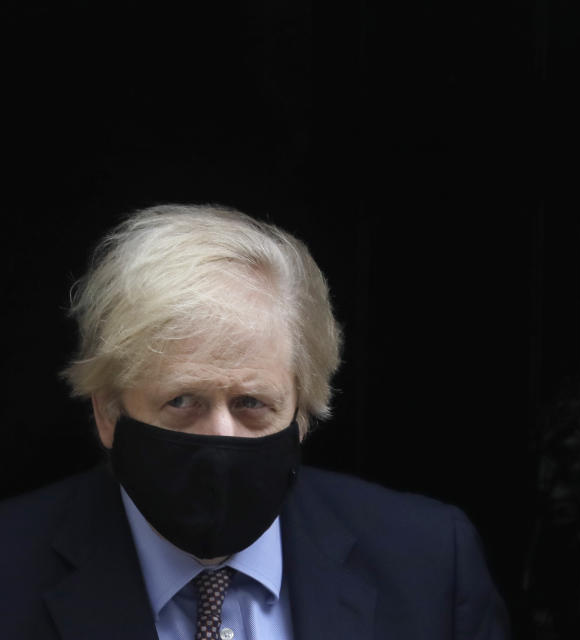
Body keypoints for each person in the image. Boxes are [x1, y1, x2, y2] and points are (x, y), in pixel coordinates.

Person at [0, 204, 510, 639]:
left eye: (251, 403)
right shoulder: (11, 570)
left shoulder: (430, 565)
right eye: (182, 400)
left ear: (302, 413)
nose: (221, 435)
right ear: (107, 413)